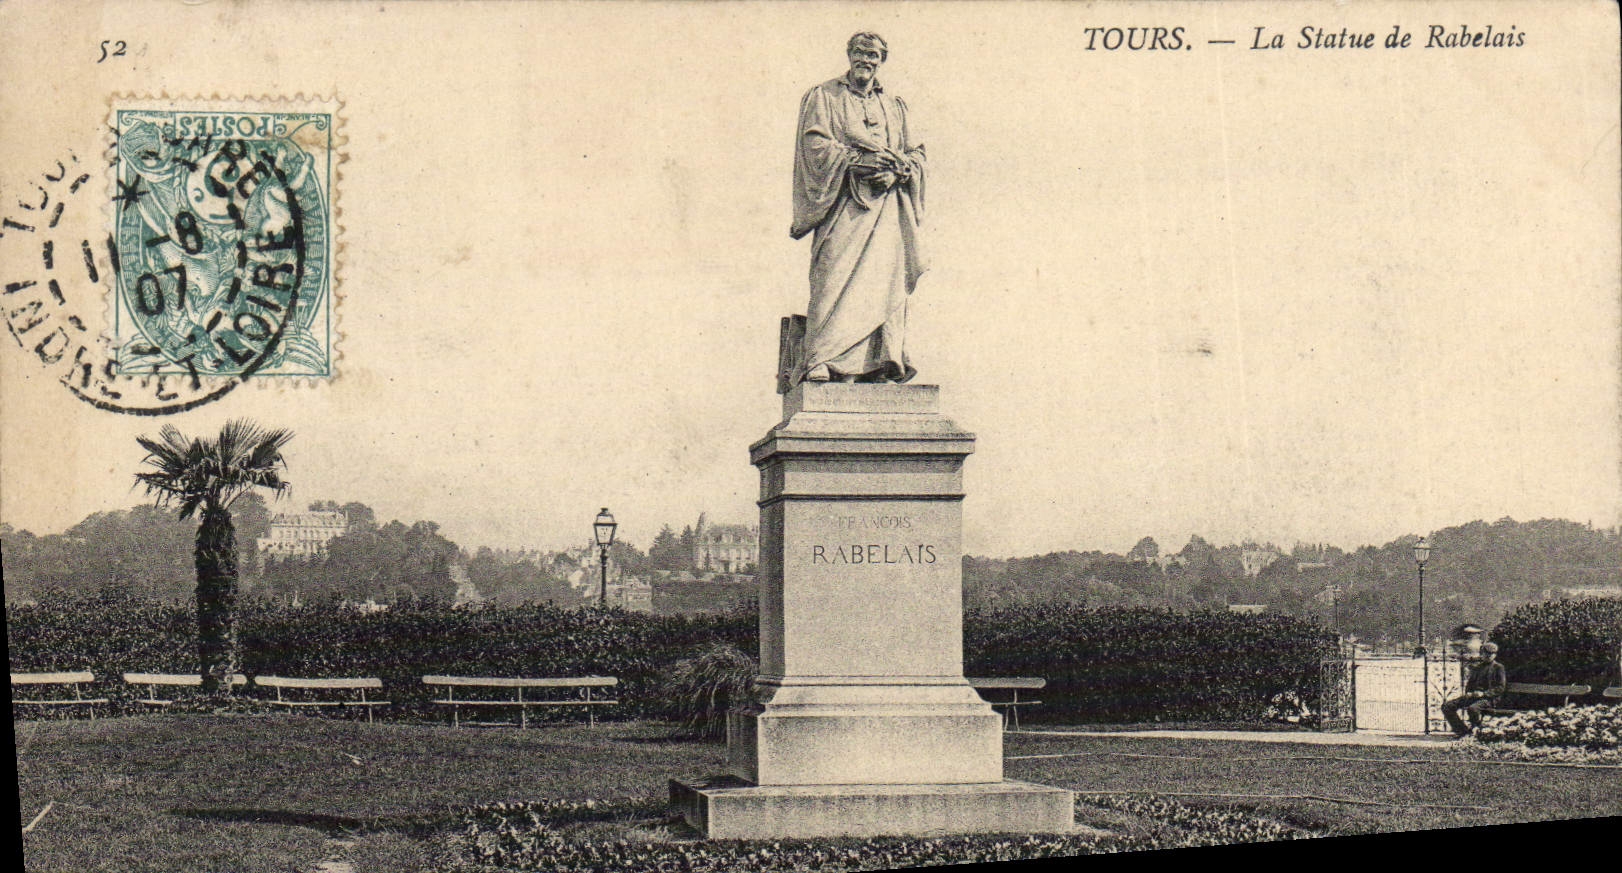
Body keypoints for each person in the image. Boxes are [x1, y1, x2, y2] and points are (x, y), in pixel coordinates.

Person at [789, 32, 927, 386]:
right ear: (849, 55)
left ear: (883, 60)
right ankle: (821, 358)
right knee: (832, 276)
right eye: (860, 53)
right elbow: (814, 145)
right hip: (844, 204)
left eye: (874, 55)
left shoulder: (895, 106)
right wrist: (856, 161)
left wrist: (897, 170)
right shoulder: (824, 96)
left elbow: (917, 154)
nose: (867, 60)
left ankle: (882, 362)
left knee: (884, 280)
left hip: (887, 210)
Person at [1442, 642, 1507, 737]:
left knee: (1473, 709)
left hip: (1489, 699)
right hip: (1473, 696)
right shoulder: (1478, 668)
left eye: (1491, 654)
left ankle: (1476, 732)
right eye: (1486, 653)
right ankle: (1462, 731)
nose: (1488, 656)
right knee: (1447, 706)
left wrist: (1484, 694)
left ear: (1495, 655)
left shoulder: (1498, 668)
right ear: (1482, 654)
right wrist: (1468, 692)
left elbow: (1500, 687)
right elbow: (1470, 684)